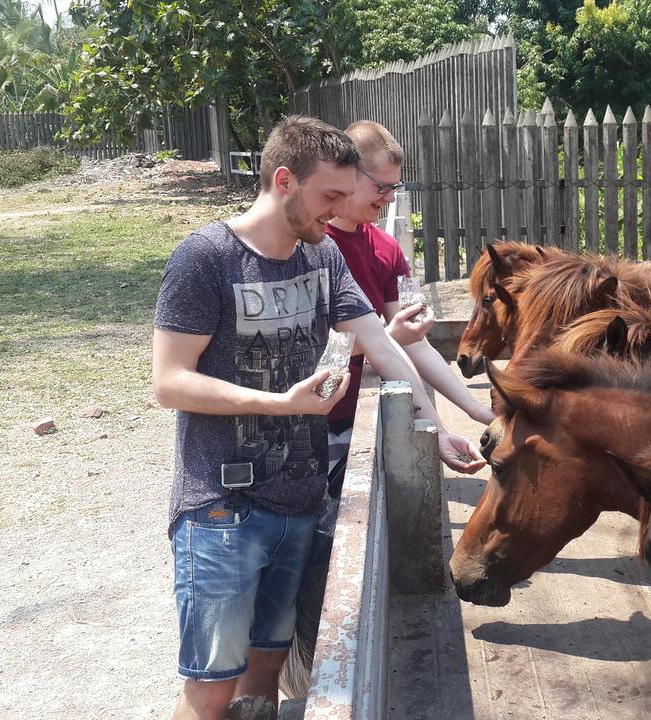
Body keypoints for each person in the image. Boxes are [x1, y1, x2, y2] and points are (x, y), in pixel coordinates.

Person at [152, 115, 484, 720]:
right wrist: (281, 403)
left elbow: (382, 346)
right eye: (329, 196)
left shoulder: (323, 255)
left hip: (299, 501)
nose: (337, 211)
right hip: (222, 509)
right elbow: (169, 382)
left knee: (264, 674)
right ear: (284, 180)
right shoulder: (205, 259)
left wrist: (431, 429)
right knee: (209, 692)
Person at [323, 120, 495, 493]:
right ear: (349, 175)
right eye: (381, 187)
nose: (388, 198)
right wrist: (387, 337)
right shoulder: (315, 247)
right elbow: (355, 343)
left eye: (394, 188)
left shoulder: (387, 249)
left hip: (369, 412)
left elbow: (413, 341)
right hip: (322, 415)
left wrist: (476, 412)